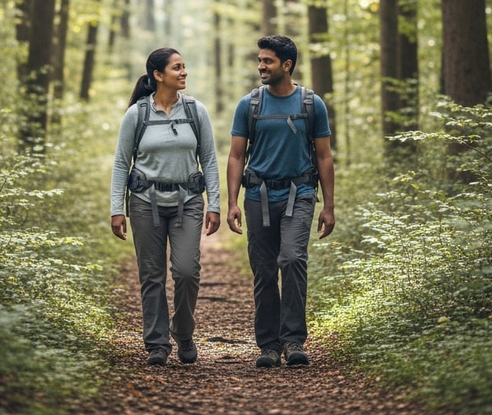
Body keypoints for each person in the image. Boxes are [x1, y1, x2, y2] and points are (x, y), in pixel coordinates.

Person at [226, 35, 335, 368]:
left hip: (299, 194)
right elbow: (236, 155)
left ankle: (293, 339)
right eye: (260, 60)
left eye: (267, 61)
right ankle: (269, 345)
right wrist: (232, 202)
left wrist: (329, 206)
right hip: (258, 196)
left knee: (291, 259)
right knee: (263, 270)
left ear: (287, 65)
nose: (261, 66)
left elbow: (324, 156)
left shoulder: (310, 104)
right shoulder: (250, 105)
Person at [110, 47, 221, 366]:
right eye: (177, 68)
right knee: (151, 274)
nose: (184, 72)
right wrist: (117, 208)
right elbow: (121, 163)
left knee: (187, 271)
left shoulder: (196, 110)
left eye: (184, 67)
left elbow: (210, 160)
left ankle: (183, 332)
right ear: (158, 75)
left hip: (188, 201)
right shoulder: (137, 114)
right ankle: (157, 343)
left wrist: (214, 203)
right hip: (146, 203)